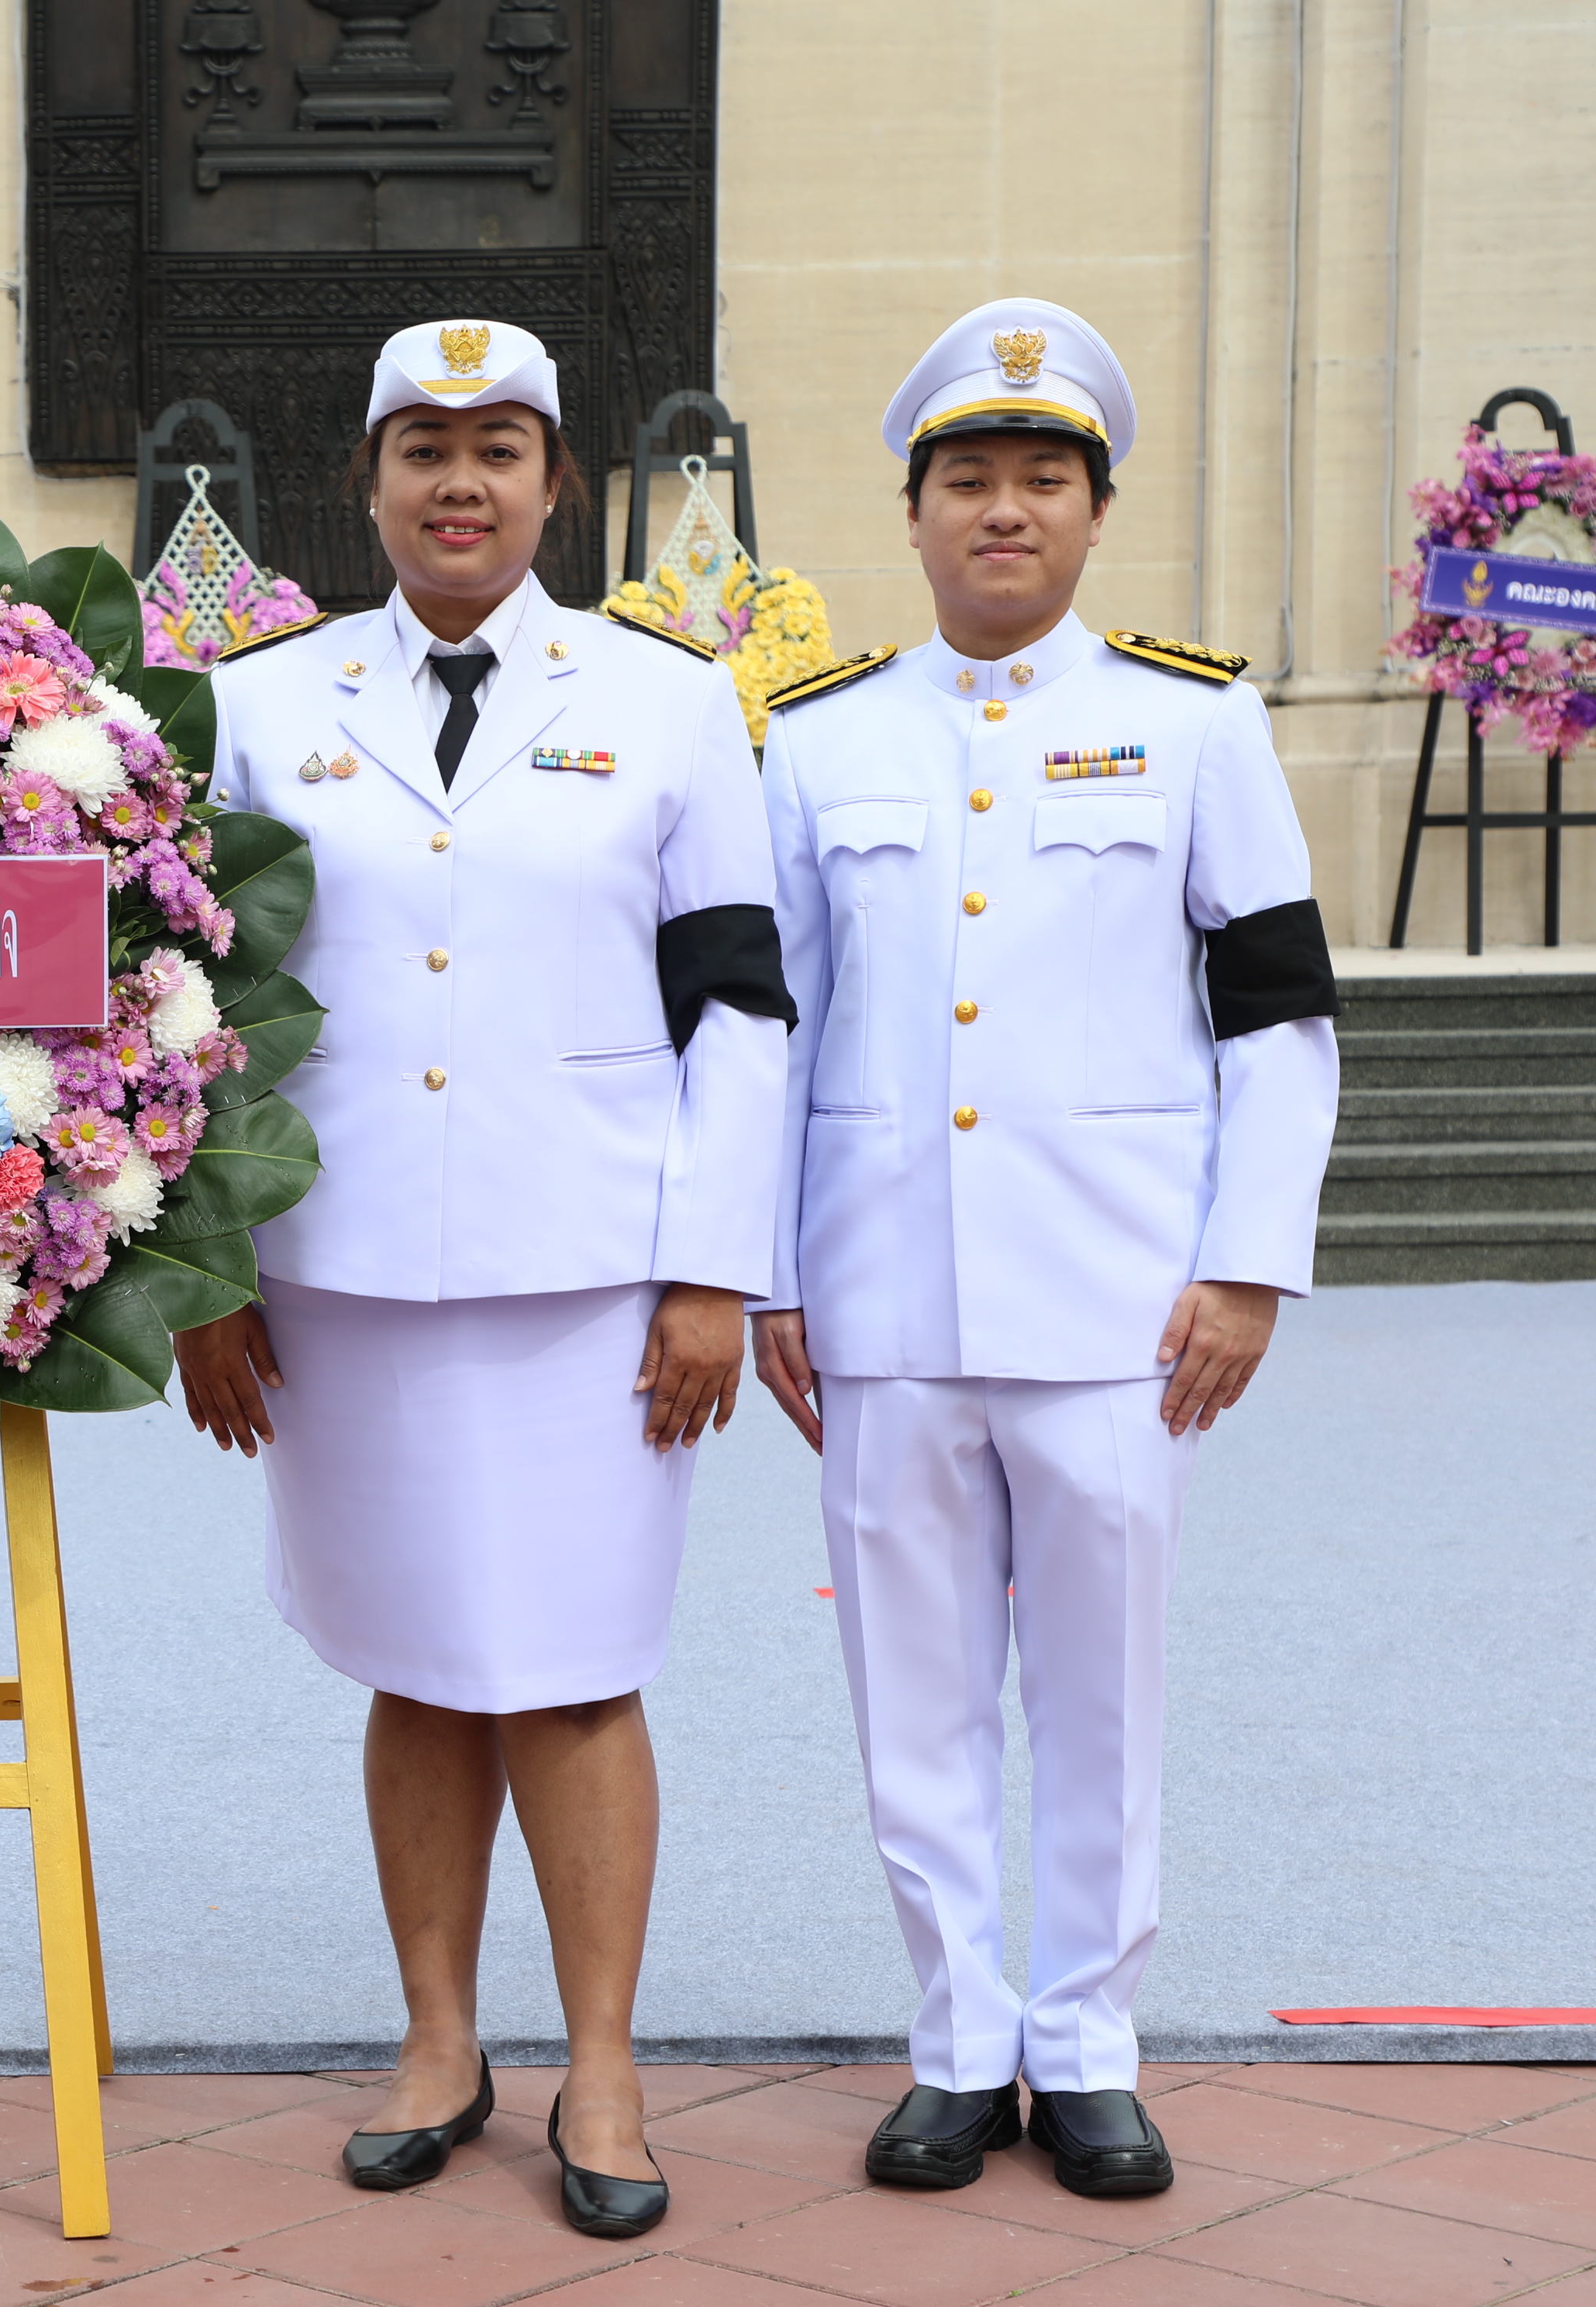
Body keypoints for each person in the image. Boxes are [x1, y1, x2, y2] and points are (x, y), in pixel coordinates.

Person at [174, 320, 792, 2240]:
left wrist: (714, 1270)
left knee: (578, 1673)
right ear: (366, 481)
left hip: (591, 1276)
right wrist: (204, 1269)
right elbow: (182, 1010)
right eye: (425, 445)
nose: (462, 480)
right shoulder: (257, 703)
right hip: (339, 1273)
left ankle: (601, 2062)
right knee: (417, 1669)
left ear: (558, 485)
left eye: (501, 446)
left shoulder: (671, 699)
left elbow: (744, 1009)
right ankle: (438, 2042)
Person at [752, 298, 1339, 2198]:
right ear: (913, 512)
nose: (1003, 511)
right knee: (909, 1695)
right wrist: (765, 1273)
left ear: (1094, 513)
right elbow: (771, 1030)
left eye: (1042, 480)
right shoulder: (821, 738)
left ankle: (1085, 2044)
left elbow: (1277, 1017)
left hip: (1118, 1307)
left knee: (1098, 1693)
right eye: (967, 480)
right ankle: (953, 2040)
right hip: (880, 1303)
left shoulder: (1192, 721)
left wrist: (1247, 1263)